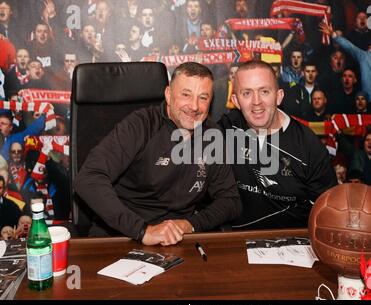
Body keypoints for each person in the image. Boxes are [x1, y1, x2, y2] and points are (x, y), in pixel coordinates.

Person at [75, 62, 241, 246]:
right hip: (122, 235)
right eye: (186, 95)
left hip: (176, 241)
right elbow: (88, 178)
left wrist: (190, 225)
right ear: (169, 95)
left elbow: (230, 200)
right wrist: (142, 230)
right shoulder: (140, 125)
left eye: (203, 97)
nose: (194, 106)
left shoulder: (212, 135)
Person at [218, 60, 336, 229]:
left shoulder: (308, 146)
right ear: (236, 101)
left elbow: (329, 211)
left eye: (264, 91)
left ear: (279, 96)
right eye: (247, 93)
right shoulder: (227, 127)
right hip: (236, 243)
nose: (256, 102)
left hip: (293, 245)